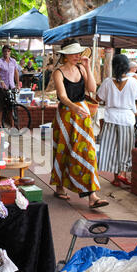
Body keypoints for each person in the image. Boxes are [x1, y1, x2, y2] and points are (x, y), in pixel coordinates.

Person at [49, 41, 109, 209]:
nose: (77, 55)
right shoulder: (58, 72)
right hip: (66, 115)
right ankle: (60, 187)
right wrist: (75, 107)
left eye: (79, 53)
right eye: (74, 53)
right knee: (64, 150)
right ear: (65, 55)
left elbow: (91, 89)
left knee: (87, 151)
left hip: (82, 114)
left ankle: (92, 196)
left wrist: (88, 67)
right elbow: (62, 96)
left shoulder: (82, 68)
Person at [96, 54, 137, 187]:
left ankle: (116, 178)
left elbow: (98, 98)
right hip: (126, 119)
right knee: (126, 148)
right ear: (127, 67)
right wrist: (134, 107)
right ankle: (122, 174)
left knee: (111, 148)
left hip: (111, 118)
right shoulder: (133, 82)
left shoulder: (107, 82)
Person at [0, 45, 20, 128]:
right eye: (5, 51)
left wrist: (17, 84)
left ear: (10, 52)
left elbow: (16, 73)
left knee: (12, 106)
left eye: (8, 51)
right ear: (3, 52)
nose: (7, 53)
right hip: (2, 87)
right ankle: (0, 124)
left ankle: (12, 126)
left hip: (11, 86)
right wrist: (1, 81)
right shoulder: (0, 61)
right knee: (0, 107)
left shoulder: (13, 61)